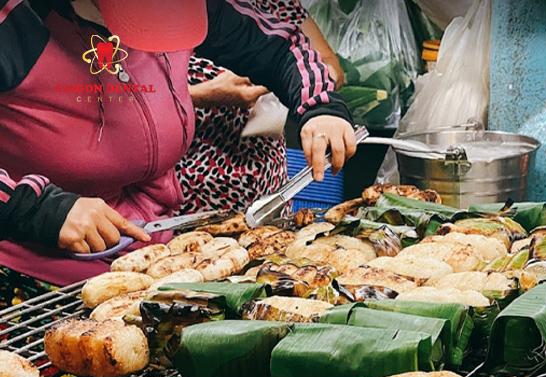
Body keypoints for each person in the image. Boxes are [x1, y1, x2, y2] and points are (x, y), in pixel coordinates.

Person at [0, 0, 356, 294]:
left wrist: (320, 107)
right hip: (33, 274)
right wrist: (36, 209)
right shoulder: (13, 24)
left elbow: (281, 45)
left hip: (151, 258)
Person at [176, 0, 344, 215]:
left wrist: (317, 102)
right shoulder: (176, 12)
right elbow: (132, 97)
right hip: (193, 177)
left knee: (267, 243)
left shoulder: (281, 5)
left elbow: (321, 62)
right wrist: (206, 95)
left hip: (263, 173)